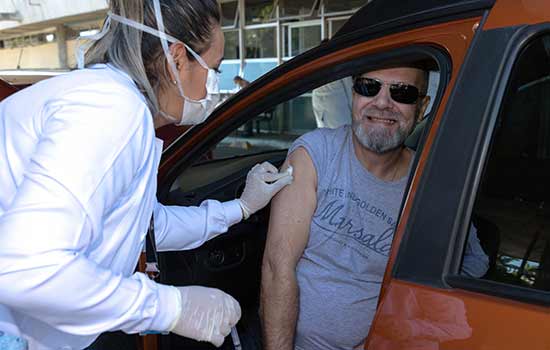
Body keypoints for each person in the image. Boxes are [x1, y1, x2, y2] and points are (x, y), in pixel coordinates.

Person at [0, 1, 293, 349]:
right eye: (213, 70)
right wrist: (169, 308)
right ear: (178, 59)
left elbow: (141, 226)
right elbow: (27, 268)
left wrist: (240, 209)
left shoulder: (113, 103)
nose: (212, 87)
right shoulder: (110, 111)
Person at [260, 66, 489, 350]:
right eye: (369, 87)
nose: (382, 102)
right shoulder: (315, 153)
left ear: (422, 107)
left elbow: (472, 263)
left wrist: (403, 330)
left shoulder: (430, 182)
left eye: (402, 92)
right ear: (353, 94)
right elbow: (277, 267)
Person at [311, 39, 353, 129]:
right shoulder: (339, 65)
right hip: (334, 110)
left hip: (331, 110)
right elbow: (349, 89)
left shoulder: (318, 66)